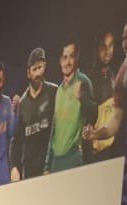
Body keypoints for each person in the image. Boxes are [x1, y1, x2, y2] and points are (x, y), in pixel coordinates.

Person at [47, 39, 97, 173]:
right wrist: (47, 164)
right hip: (56, 161)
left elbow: (94, 114)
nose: (68, 62)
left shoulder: (84, 81)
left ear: (77, 58)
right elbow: (54, 129)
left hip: (74, 157)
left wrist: (82, 97)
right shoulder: (59, 90)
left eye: (71, 57)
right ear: (60, 60)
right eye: (64, 57)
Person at [11, 48, 56, 182]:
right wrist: (14, 167)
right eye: (34, 70)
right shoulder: (22, 103)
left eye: (40, 68)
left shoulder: (54, 92)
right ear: (28, 73)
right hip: (30, 170)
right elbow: (16, 141)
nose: (37, 74)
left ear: (45, 67)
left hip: (50, 166)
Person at [83, 29, 122, 163]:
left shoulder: (113, 75)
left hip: (113, 151)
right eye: (104, 47)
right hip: (97, 156)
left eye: (111, 46)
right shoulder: (89, 81)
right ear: (96, 49)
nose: (108, 51)